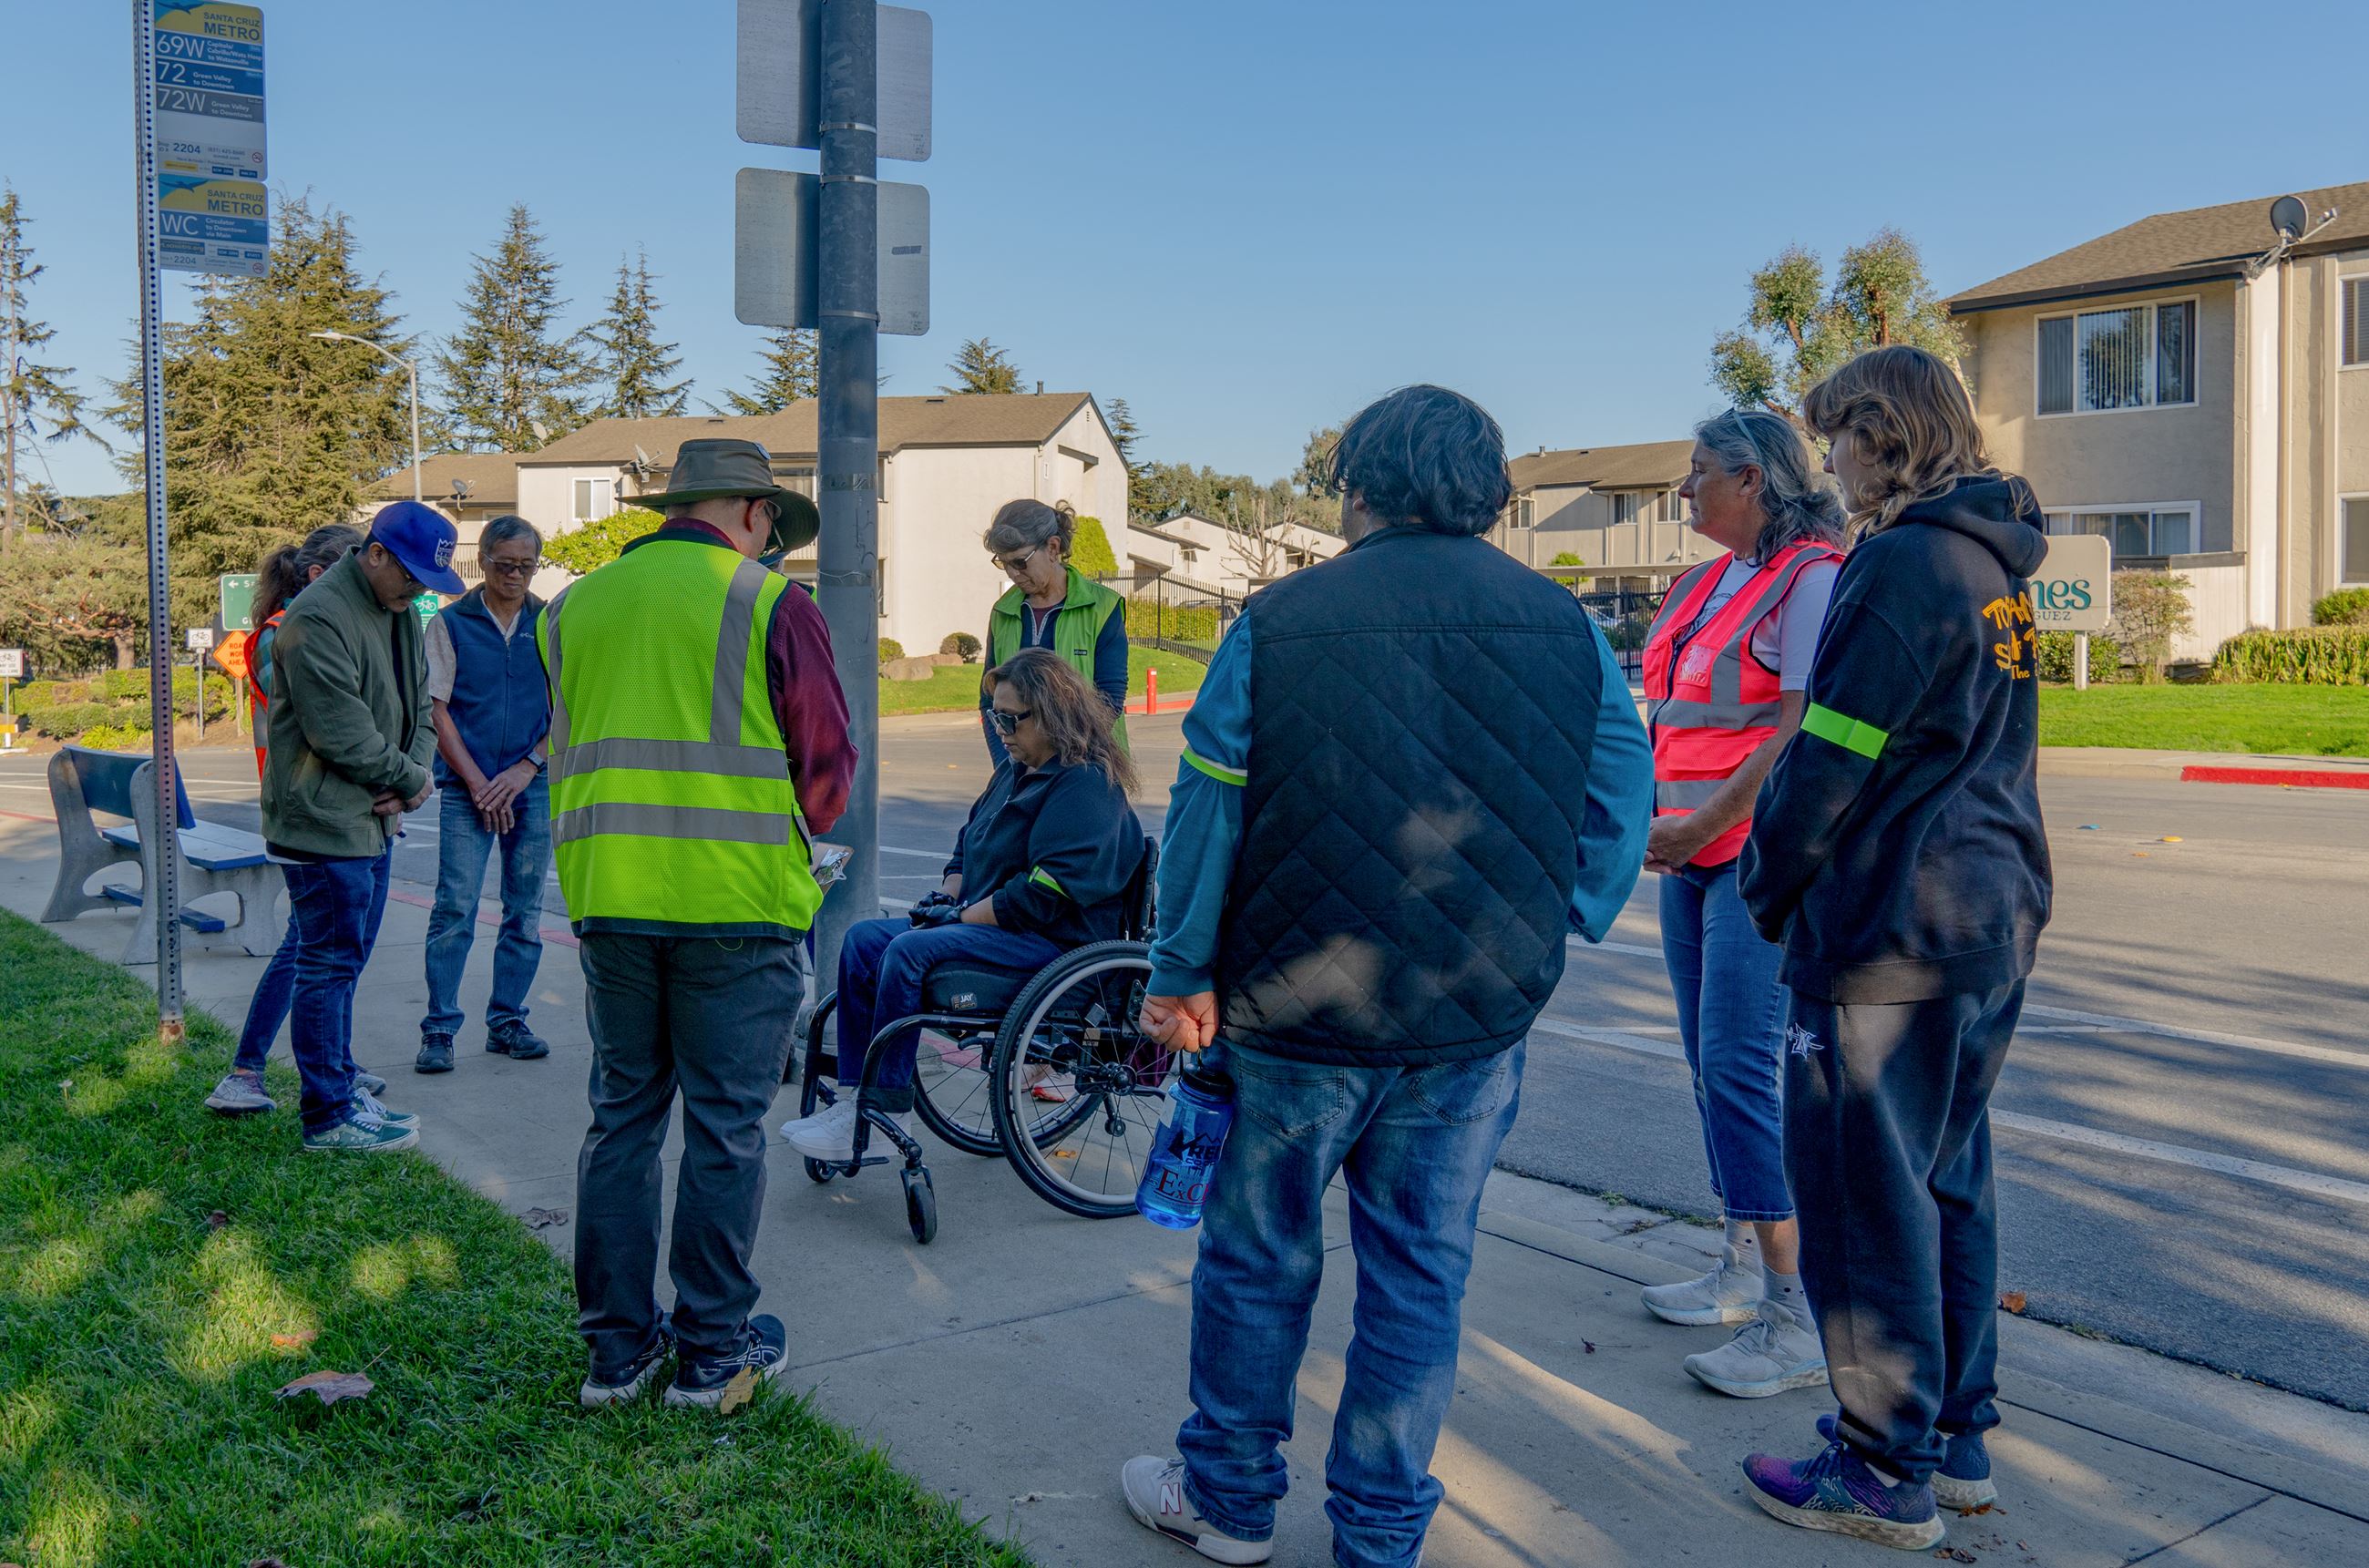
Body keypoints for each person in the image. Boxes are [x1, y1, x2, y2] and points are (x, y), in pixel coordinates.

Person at [1120, 385, 1655, 1568]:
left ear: (1357, 486)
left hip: (1291, 999)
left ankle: (1229, 1499)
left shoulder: (1279, 619)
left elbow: (1209, 803)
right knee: (1421, 1270)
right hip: (1475, 1005)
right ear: (1488, 495)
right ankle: (1378, 1530)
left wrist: (1181, 966)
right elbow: (1624, 786)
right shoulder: (1565, 625)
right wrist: (1570, 912)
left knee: (1258, 1256)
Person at [1734, 345, 2052, 1552]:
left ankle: (1879, 1465)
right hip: (1986, 908)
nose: (1829, 462)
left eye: (1836, 436)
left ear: (1881, 433)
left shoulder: (1903, 563)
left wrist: (1769, 881)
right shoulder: (1989, 561)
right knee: (1944, 1173)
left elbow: (1829, 757)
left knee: (1864, 1193)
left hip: (1890, 924)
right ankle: (1952, 1435)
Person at [548, 438, 856, 1410]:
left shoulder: (573, 606)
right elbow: (826, 774)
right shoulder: (770, 602)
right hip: (736, 903)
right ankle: (712, 1352)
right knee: (725, 1128)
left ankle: (615, 1353)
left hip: (609, 893)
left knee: (622, 1120)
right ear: (755, 513)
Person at [1636, 409, 1847, 1398]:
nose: (1683, 489)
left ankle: (1793, 1314)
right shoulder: (1701, 583)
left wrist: (1702, 824)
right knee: (1706, 1064)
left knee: (1736, 1066)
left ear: (1752, 479)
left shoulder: (1811, 579)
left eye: (1696, 472)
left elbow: (1797, 734)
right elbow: (1672, 717)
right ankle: (1736, 1265)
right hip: (1686, 855)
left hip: (1748, 857)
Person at [778, 648, 1143, 1162]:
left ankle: (888, 1110)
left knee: (909, 952)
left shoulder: (1085, 787)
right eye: (995, 716)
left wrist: (963, 916)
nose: (1000, 729)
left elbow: (1044, 894)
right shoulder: (1016, 771)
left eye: (1011, 719)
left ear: (1053, 714)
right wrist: (947, 897)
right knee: (864, 939)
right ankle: (857, 1098)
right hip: (996, 927)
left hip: (1052, 944)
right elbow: (967, 845)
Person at [262, 500, 459, 1153]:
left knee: (345, 964)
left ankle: (342, 1091)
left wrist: (412, 775)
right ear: (375, 554)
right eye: (412, 577)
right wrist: (412, 781)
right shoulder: (317, 616)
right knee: (326, 966)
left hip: (370, 820)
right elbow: (338, 731)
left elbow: (422, 706)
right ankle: (327, 1117)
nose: (419, 593)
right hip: (322, 823)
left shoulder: (392, 607)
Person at [204, 524, 384, 1116]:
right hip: (312, 812)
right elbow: (333, 718)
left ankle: (336, 1064)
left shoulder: (322, 627)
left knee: (336, 949)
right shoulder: (283, 634)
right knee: (311, 946)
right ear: (317, 575)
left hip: (350, 808)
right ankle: (248, 1069)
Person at [415, 514, 554, 1073]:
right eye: (505, 564)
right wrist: (476, 782)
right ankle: (439, 1029)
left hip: (531, 786)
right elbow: (436, 708)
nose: (515, 575)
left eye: (526, 565)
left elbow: (570, 707)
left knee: (525, 911)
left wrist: (526, 768)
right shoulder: (450, 624)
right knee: (454, 908)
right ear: (483, 562)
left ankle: (508, 1021)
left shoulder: (551, 624)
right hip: (464, 789)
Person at [979, 497, 1127, 764]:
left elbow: (1110, 698)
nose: (1013, 573)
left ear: (1052, 548)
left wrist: (1067, 764)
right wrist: (1005, 766)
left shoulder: (1103, 606)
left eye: (1020, 562)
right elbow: (989, 699)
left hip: (1088, 763)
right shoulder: (1002, 611)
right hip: (1020, 767)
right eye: (1004, 563)